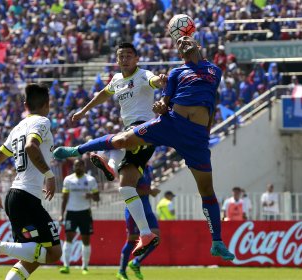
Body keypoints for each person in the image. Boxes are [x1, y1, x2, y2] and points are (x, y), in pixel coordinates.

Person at [54, 35, 235, 261]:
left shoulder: (214, 71)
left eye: (187, 40)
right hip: (171, 123)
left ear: (198, 46)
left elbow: (211, 101)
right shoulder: (177, 73)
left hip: (196, 138)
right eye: (179, 43)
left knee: (206, 190)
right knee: (121, 142)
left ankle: (217, 241)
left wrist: (206, 130)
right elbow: (165, 99)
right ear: (179, 54)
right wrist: (161, 104)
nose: (183, 43)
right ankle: (77, 151)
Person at [61, 42, 166, 256]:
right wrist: (83, 111)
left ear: (136, 59)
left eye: (129, 55)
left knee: (117, 141)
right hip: (131, 133)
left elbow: (154, 81)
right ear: (117, 60)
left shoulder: (144, 74)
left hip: (144, 129)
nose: (125, 59)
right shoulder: (117, 80)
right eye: (122, 56)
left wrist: (160, 80)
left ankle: (83, 153)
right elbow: (103, 94)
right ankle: (146, 234)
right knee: (126, 188)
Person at [0, 83, 62, 279]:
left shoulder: (17, 128)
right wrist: (50, 176)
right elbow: (31, 147)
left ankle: (0, 252)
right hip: (26, 198)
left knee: (34, 256)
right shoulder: (42, 122)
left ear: (25, 105)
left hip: (15, 197)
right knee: (54, 253)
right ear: (47, 104)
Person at [117, 166, 160, 280]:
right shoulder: (133, 167)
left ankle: (136, 262)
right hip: (134, 210)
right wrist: (151, 191)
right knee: (132, 240)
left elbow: (145, 187)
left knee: (155, 239)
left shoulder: (149, 168)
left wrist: (151, 189)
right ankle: (121, 271)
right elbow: (130, 191)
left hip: (147, 209)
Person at [59, 159, 100, 275]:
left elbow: (97, 198)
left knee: (86, 240)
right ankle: (66, 266)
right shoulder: (68, 179)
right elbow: (64, 198)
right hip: (71, 213)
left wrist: (91, 195)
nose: (78, 167)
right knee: (68, 238)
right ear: (73, 167)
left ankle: (85, 266)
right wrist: (61, 214)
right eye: (76, 165)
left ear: (84, 167)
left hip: (85, 213)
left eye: (80, 165)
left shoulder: (90, 180)